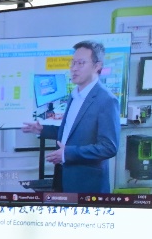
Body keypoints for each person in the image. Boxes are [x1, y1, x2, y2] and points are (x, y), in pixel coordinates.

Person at [21, 40, 120, 194]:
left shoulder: (106, 100)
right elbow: (71, 132)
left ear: (97, 66)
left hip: (87, 184)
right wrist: (42, 130)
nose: (74, 68)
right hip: (63, 177)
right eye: (73, 63)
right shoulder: (74, 95)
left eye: (80, 63)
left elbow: (109, 147)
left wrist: (67, 153)